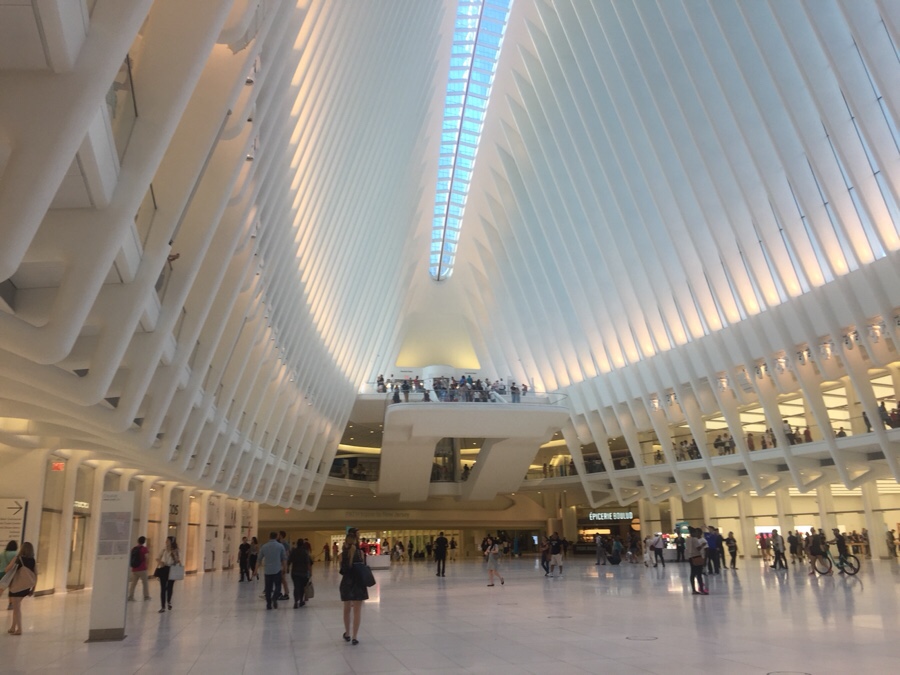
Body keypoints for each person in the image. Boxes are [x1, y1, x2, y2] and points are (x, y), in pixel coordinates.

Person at [339, 528, 368, 645]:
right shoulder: (360, 554)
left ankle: (347, 633)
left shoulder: (341, 555)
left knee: (346, 610)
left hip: (346, 583)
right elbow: (363, 567)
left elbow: (342, 571)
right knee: (357, 611)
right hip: (358, 583)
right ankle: (355, 636)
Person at [5, 541, 36, 635]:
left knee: (17, 608)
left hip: (16, 587)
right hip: (26, 587)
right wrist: (33, 589)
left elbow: (7, 569)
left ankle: (19, 629)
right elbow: (35, 575)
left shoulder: (18, 558)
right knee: (17, 607)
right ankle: (13, 627)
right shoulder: (32, 561)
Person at [259, 531, 287, 609]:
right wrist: (285, 568)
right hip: (277, 570)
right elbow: (284, 558)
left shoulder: (264, 546)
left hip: (267, 570)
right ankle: (274, 597)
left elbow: (259, 559)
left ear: (269, 536)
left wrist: (255, 570)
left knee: (268, 588)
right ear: (276, 537)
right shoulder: (280, 546)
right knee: (278, 586)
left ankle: (268, 604)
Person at [155, 536, 180, 613]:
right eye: (166, 540)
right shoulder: (164, 550)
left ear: (171, 541)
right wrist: (160, 562)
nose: (166, 542)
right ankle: (163, 606)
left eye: (168, 540)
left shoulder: (176, 550)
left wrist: (174, 554)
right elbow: (157, 558)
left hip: (172, 569)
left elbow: (177, 560)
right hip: (164, 568)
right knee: (162, 588)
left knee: (170, 587)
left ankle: (168, 601)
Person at [288, 538, 312, 608]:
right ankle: (301, 601)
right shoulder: (305, 552)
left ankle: (296, 602)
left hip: (295, 572)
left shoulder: (294, 551)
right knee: (302, 587)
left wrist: (287, 568)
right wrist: (310, 572)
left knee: (296, 587)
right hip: (303, 572)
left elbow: (289, 560)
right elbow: (308, 563)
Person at [127, 536, 151, 601]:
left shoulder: (133, 548)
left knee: (133, 583)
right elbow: (147, 557)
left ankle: (130, 596)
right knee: (145, 583)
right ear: (144, 542)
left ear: (138, 541)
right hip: (142, 568)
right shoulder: (144, 549)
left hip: (135, 568)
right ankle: (146, 596)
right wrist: (147, 565)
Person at [685, 528, 708, 595]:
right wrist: (703, 545)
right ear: (693, 532)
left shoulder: (687, 539)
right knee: (699, 574)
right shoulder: (695, 539)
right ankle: (702, 590)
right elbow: (698, 548)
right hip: (697, 557)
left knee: (692, 573)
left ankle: (693, 590)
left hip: (690, 557)